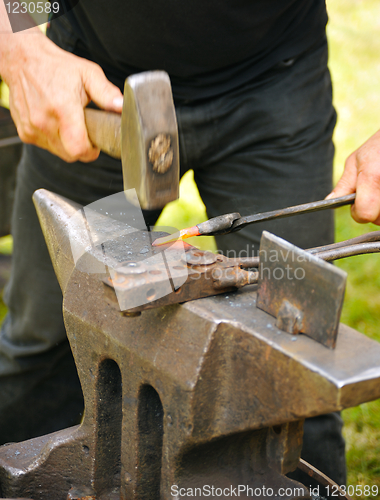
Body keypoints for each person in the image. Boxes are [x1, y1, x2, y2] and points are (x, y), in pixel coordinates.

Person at [3, 0, 377, 492]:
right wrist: (20, 42)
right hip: (101, 93)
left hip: (273, 83)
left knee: (294, 358)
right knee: (45, 341)